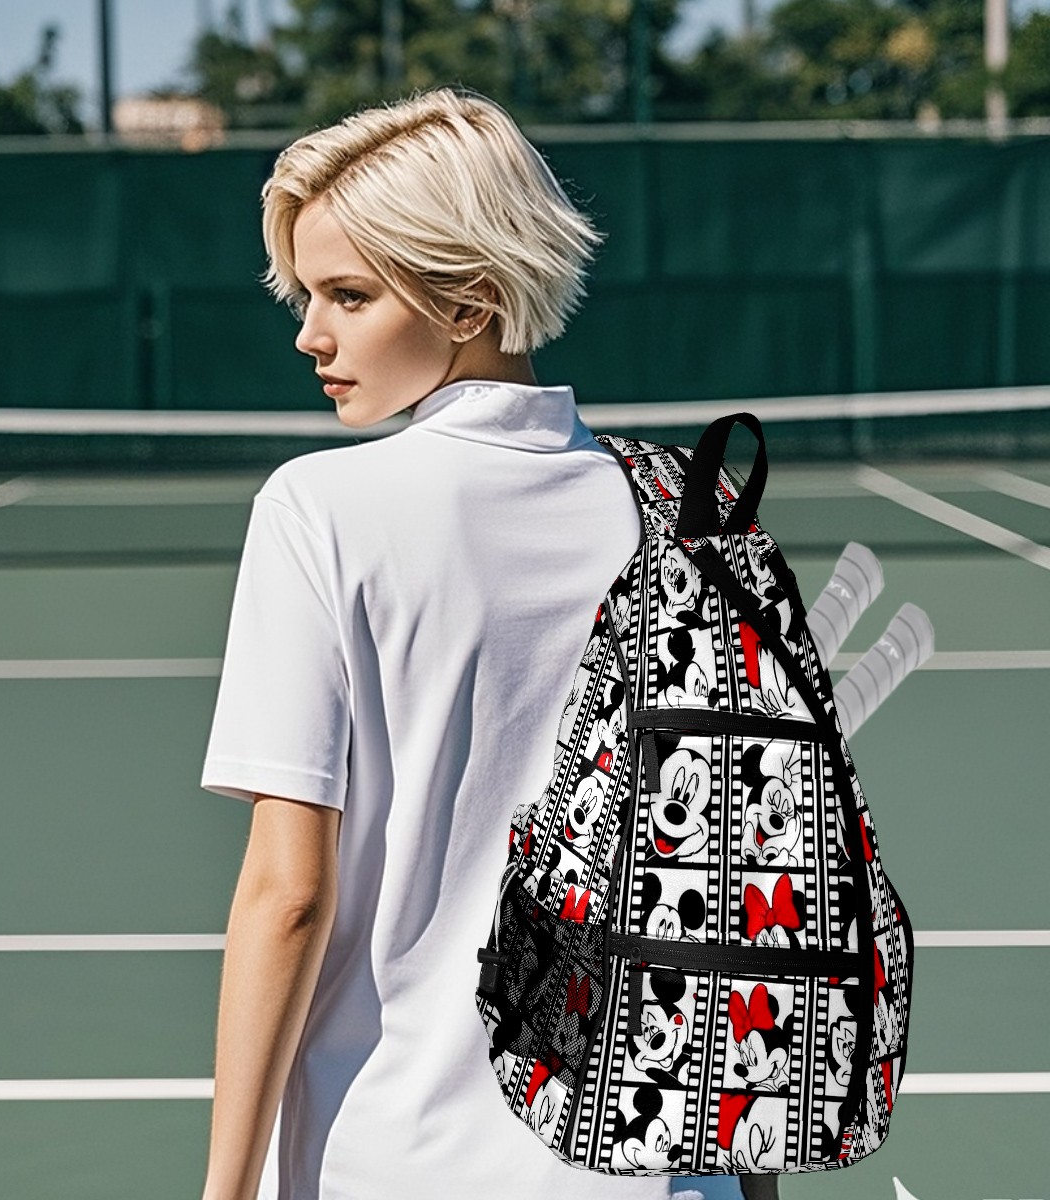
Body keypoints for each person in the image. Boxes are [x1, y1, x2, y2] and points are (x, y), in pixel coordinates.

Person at [198, 83, 774, 1200]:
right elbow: (736, 892)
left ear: (468, 302)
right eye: (305, 295)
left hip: (394, 1167)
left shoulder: (316, 511)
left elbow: (289, 896)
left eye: (348, 295)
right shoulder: (690, 509)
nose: (309, 333)